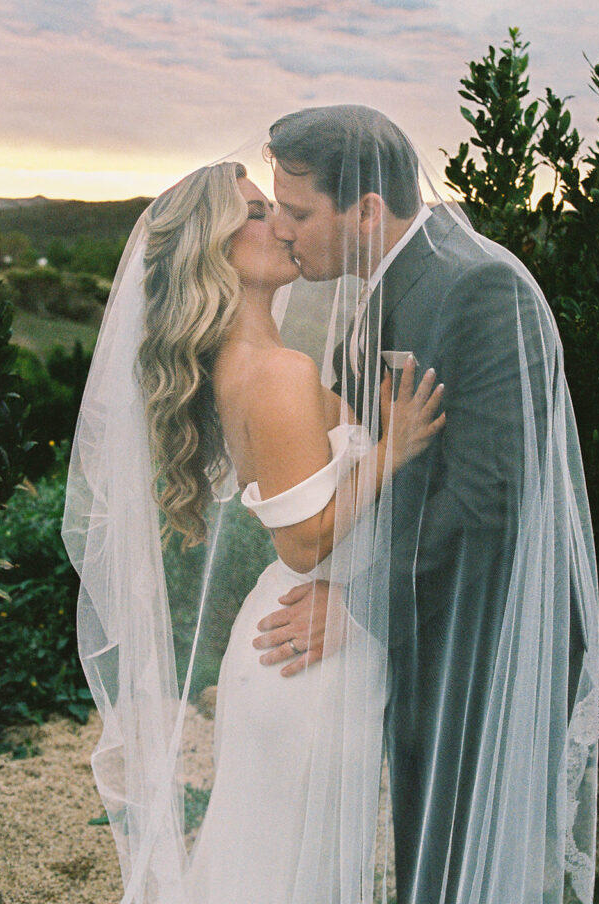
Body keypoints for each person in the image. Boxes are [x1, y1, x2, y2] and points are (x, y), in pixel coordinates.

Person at [63, 160, 444, 904]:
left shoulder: (253, 361)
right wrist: (391, 448)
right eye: (258, 213)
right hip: (306, 650)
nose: (284, 225)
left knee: (269, 868)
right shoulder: (274, 371)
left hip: (300, 639)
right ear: (214, 248)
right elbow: (302, 544)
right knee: (290, 877)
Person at [254, 105, 599, 904]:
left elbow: (490, 497)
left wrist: (365, 606)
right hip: (427, 627)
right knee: (428, 857)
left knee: (468, 863)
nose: (283, 229)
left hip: (480, 639)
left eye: (300, 212)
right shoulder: (388, 280)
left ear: (367, 210)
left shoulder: (478, 287)